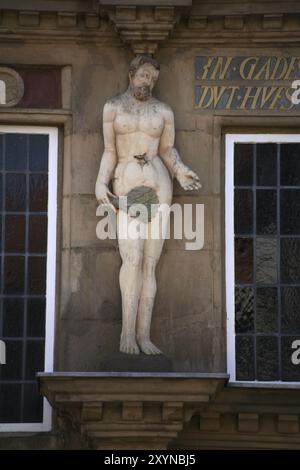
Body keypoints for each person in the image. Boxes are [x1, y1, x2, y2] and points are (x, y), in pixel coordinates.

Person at [95, 55, 201, 355]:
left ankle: (144, 336)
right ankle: (126, 334)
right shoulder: (113, 107)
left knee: (150, 262)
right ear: (131, 74)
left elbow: (167, 150)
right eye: (143, 76)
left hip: (159, 184)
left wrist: (180, 170)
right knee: (133, 255)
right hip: (127, 183)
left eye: (152, 79)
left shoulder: (163, 111)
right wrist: (101, 182)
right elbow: (109, 150)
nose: (147, 83)